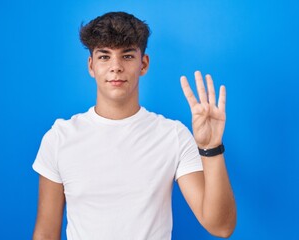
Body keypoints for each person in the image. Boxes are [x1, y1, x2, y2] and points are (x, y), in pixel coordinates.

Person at [32, 11, 236, 240]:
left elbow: (221, 226)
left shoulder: (173, 135)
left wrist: (211, 148)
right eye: (104, 56)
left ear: (144, 64)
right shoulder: (59, 138)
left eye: (127, 56)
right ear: (91, 66)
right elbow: (46, 234)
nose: (115, 67)